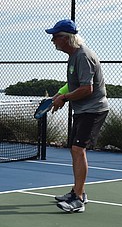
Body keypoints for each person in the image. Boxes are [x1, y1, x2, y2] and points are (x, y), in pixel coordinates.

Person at [46, 19, 108, 213]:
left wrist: (64, 98)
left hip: (93, 110)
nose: (53, 41)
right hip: (83, 110)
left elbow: (86, 89)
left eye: (55, 37)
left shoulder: (83, 56)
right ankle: (77, 191)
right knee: (75, 150)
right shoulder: (73, 56)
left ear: (66, 38)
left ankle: (78, 200)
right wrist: (59, 94)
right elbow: (74, 84)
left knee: (78, 149)